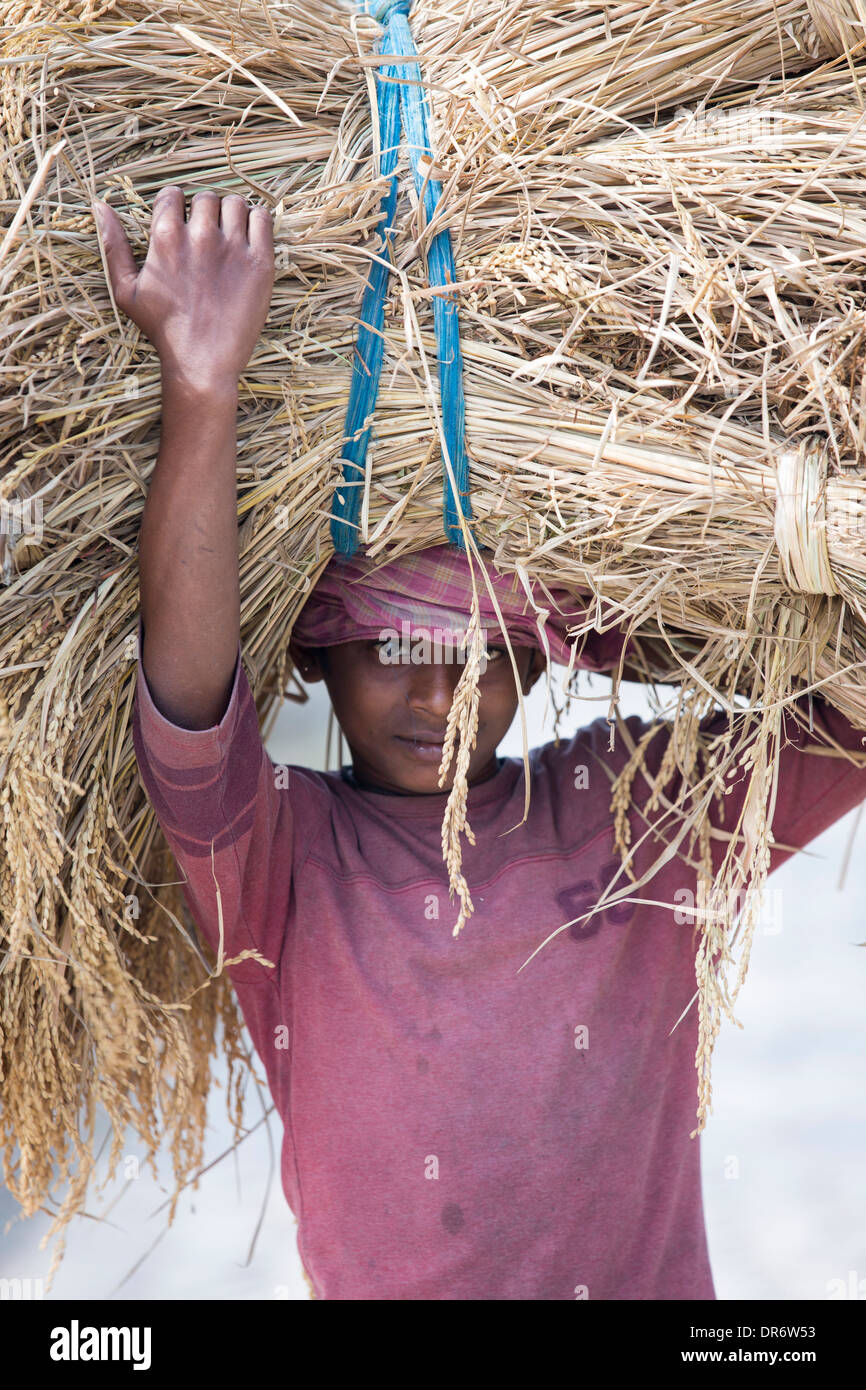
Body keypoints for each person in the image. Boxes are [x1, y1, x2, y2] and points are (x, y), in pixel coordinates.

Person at [95, 187, 866, 1300]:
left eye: (485, 652)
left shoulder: (631, 813)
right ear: (312, 659)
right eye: (390, 650)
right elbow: (185, 705)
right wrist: (203, 385)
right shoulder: (285, 864)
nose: (442, 696)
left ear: (549, 656)